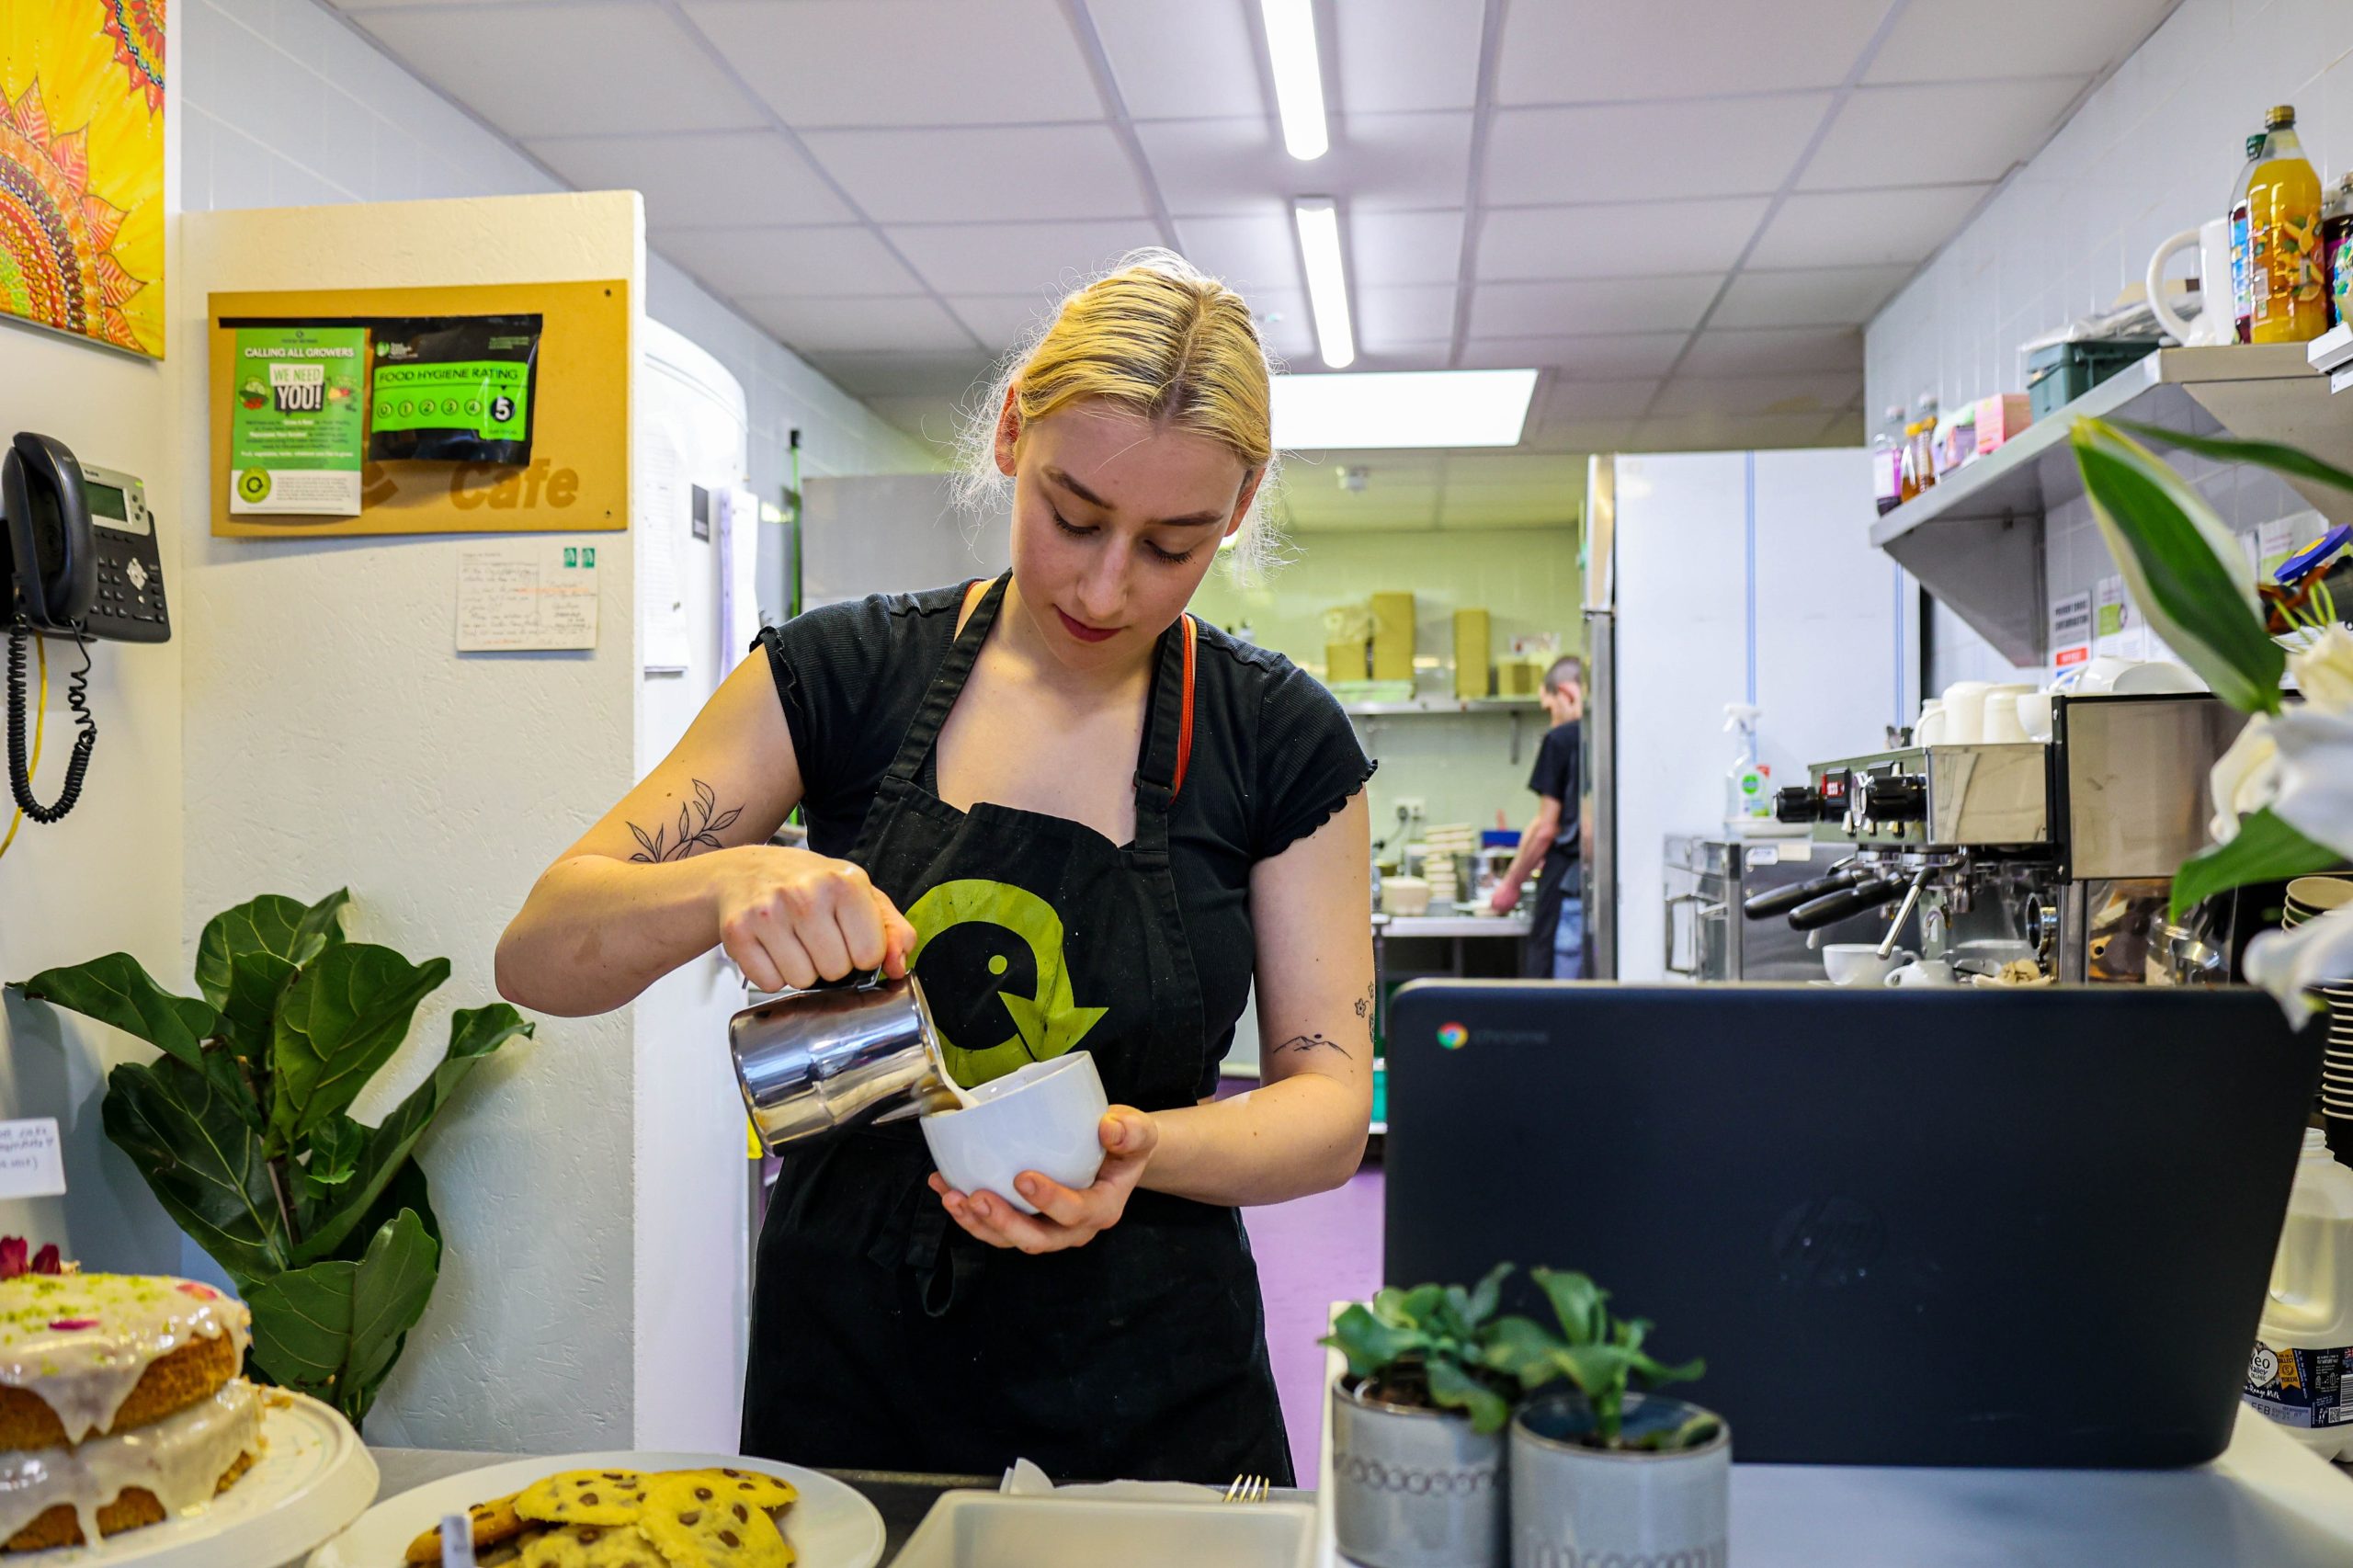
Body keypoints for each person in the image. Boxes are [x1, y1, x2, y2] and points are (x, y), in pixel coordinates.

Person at [495, 253, 1375, 1484]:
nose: (1106, 584)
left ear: (1238, 508)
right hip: (857, 1363)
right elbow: (539, 951)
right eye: (1073, 517)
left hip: (1154, 1366)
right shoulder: (842, 674)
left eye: (1173, 546)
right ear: (1014, 430)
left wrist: (1141, 1151)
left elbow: (1330, 1110)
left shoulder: (1278, 739)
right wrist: (723, 881)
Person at [1487, 654, 1584, 979]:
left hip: (1565, 892)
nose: (1551, 717)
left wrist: (1511, 885)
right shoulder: (1606, 737)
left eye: (1549, 706)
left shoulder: (1561, 739)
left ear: (1567, 693)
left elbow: (1545, 828)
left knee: (1553, 995)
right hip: (1589, 888)